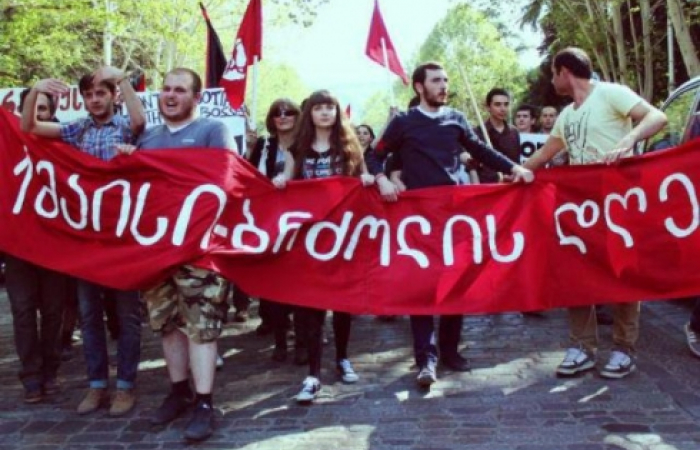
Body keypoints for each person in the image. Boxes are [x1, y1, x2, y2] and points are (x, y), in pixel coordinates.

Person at [368, 62, 534, 388]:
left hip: (453, 216)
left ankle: (450, 352)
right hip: (417, 218)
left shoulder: (456, 118)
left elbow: (480, 150)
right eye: (436, 81)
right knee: (422, 286)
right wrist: (382, 180)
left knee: (454, 282)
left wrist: (515, 168)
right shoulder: (403, 122)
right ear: (419, 87)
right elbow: (374, 155)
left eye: (445, 81)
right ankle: (425, 359)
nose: (443, 86)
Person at [524, 47, 667, 379]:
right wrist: (513, 174)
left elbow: (657, 116)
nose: (552, 80)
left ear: (564, 71)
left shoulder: (610, 93)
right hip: (581, 207)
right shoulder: (566, 115)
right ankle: (582, 347)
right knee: (577, 271)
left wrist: (630, 139)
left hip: (618, 202)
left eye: (553, 73)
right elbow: (546, 153)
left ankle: (623, 349)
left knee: (623, 272)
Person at [21, 67, 145, 416]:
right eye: (89, 94)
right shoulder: (77, 129)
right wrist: (35, 90)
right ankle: (96, 386)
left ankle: (125, 387)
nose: (94, 99)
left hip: (122, 237)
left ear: (112, 96)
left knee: (127, 314)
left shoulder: (124, 127)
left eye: (101, 93)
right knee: (89, 315)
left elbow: (138, 121)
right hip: (86, 239)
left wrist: (120, 78)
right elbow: (29, 128)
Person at [123, 67, 237, 442]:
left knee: (200, 327)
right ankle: (178, 391)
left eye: (179, 90)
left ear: (196, 97)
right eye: (166, 89)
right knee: (167, 324)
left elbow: (230, 179)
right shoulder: (149, 137)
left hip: (199, 250)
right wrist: (127, 162)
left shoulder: (212, 131)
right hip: (156, 251)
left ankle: (204, 401)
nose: (170, 95)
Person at [273, 89, 374, 403]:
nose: (325, 113)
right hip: (309, 242)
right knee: (311, 307)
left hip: (342, 239)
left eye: (330, 107)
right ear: (311, 114)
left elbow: (365, 177)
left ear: (337, 113)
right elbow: (288, 180)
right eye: (319, 108)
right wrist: (280, 181)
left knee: (342, 305)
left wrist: (372, 180)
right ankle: (313, 374)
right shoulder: (297, 149)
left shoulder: (349, 148)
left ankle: (342, 357)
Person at [8, 89, 70, 404]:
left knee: (52, 311)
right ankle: (30, 375)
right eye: (35, 108)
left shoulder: (63, 144)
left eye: (45, 108)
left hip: (55, 249)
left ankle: (50, 371)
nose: (40, 114)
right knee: (21, 311)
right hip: (19, 249)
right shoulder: (10, 144)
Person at [246, 98, 307, 364]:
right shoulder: (263, 145)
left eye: (288, 112)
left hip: (303, 221)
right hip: (271, 222)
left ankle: (304, 342)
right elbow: (249, 175)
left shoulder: (307, 144)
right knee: (276, 284)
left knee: (303, 284)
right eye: (277, 113)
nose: (283, 117)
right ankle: (280, 341)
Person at [473, 88, 521, 183]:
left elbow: (516, 161)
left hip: (510, 187)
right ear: (488, 107)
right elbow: (472, 166)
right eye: (497, 104)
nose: (503, 109)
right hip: (486, 188)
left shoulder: (514, 132)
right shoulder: (477, 132)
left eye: (506, 104)